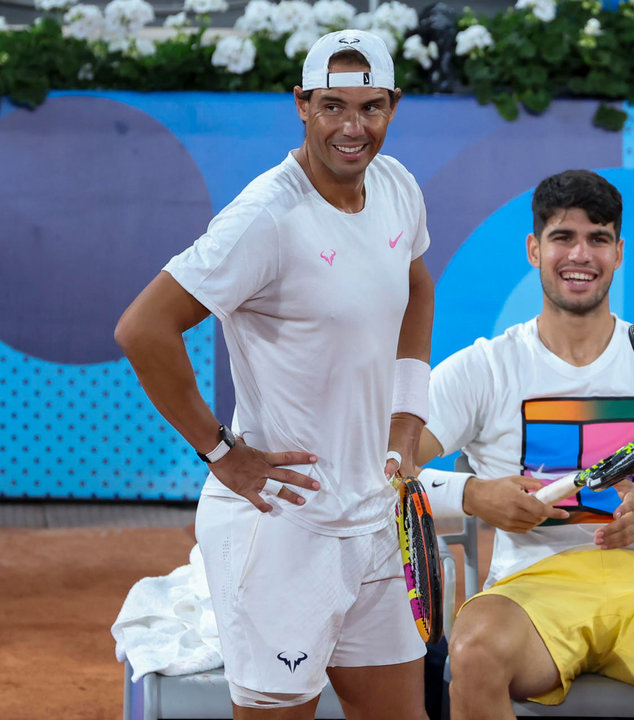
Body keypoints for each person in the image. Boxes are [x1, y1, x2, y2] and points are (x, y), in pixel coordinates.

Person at [114, 29, 434, 720]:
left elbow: (417, 285)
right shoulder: (264, 216)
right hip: (284, 530)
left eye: (370, 107)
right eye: (332, 107)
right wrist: (222, 453)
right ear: (300, 105)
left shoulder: (397, 186)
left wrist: (406, 423)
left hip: (374, 518)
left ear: (393, 106)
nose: (353, 127)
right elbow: (142, 329)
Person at [414, 169, 634, 719]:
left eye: (598, 239)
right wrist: (474, 493)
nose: (581, 254)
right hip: (531, 589)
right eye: (562, 237)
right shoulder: (483, 367)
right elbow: (388, 473)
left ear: (618, 252)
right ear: (534, 248)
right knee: (474, 652)